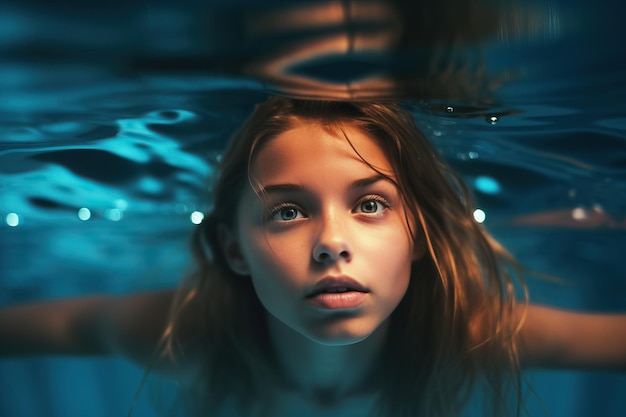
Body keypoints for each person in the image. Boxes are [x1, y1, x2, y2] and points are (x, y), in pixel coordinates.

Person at [1, 97, 625, 417]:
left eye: (371, 205)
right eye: (288, 212)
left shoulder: (470, 331)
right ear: (233, 250)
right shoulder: (186, 337)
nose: (333, 241)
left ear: (419, 234)